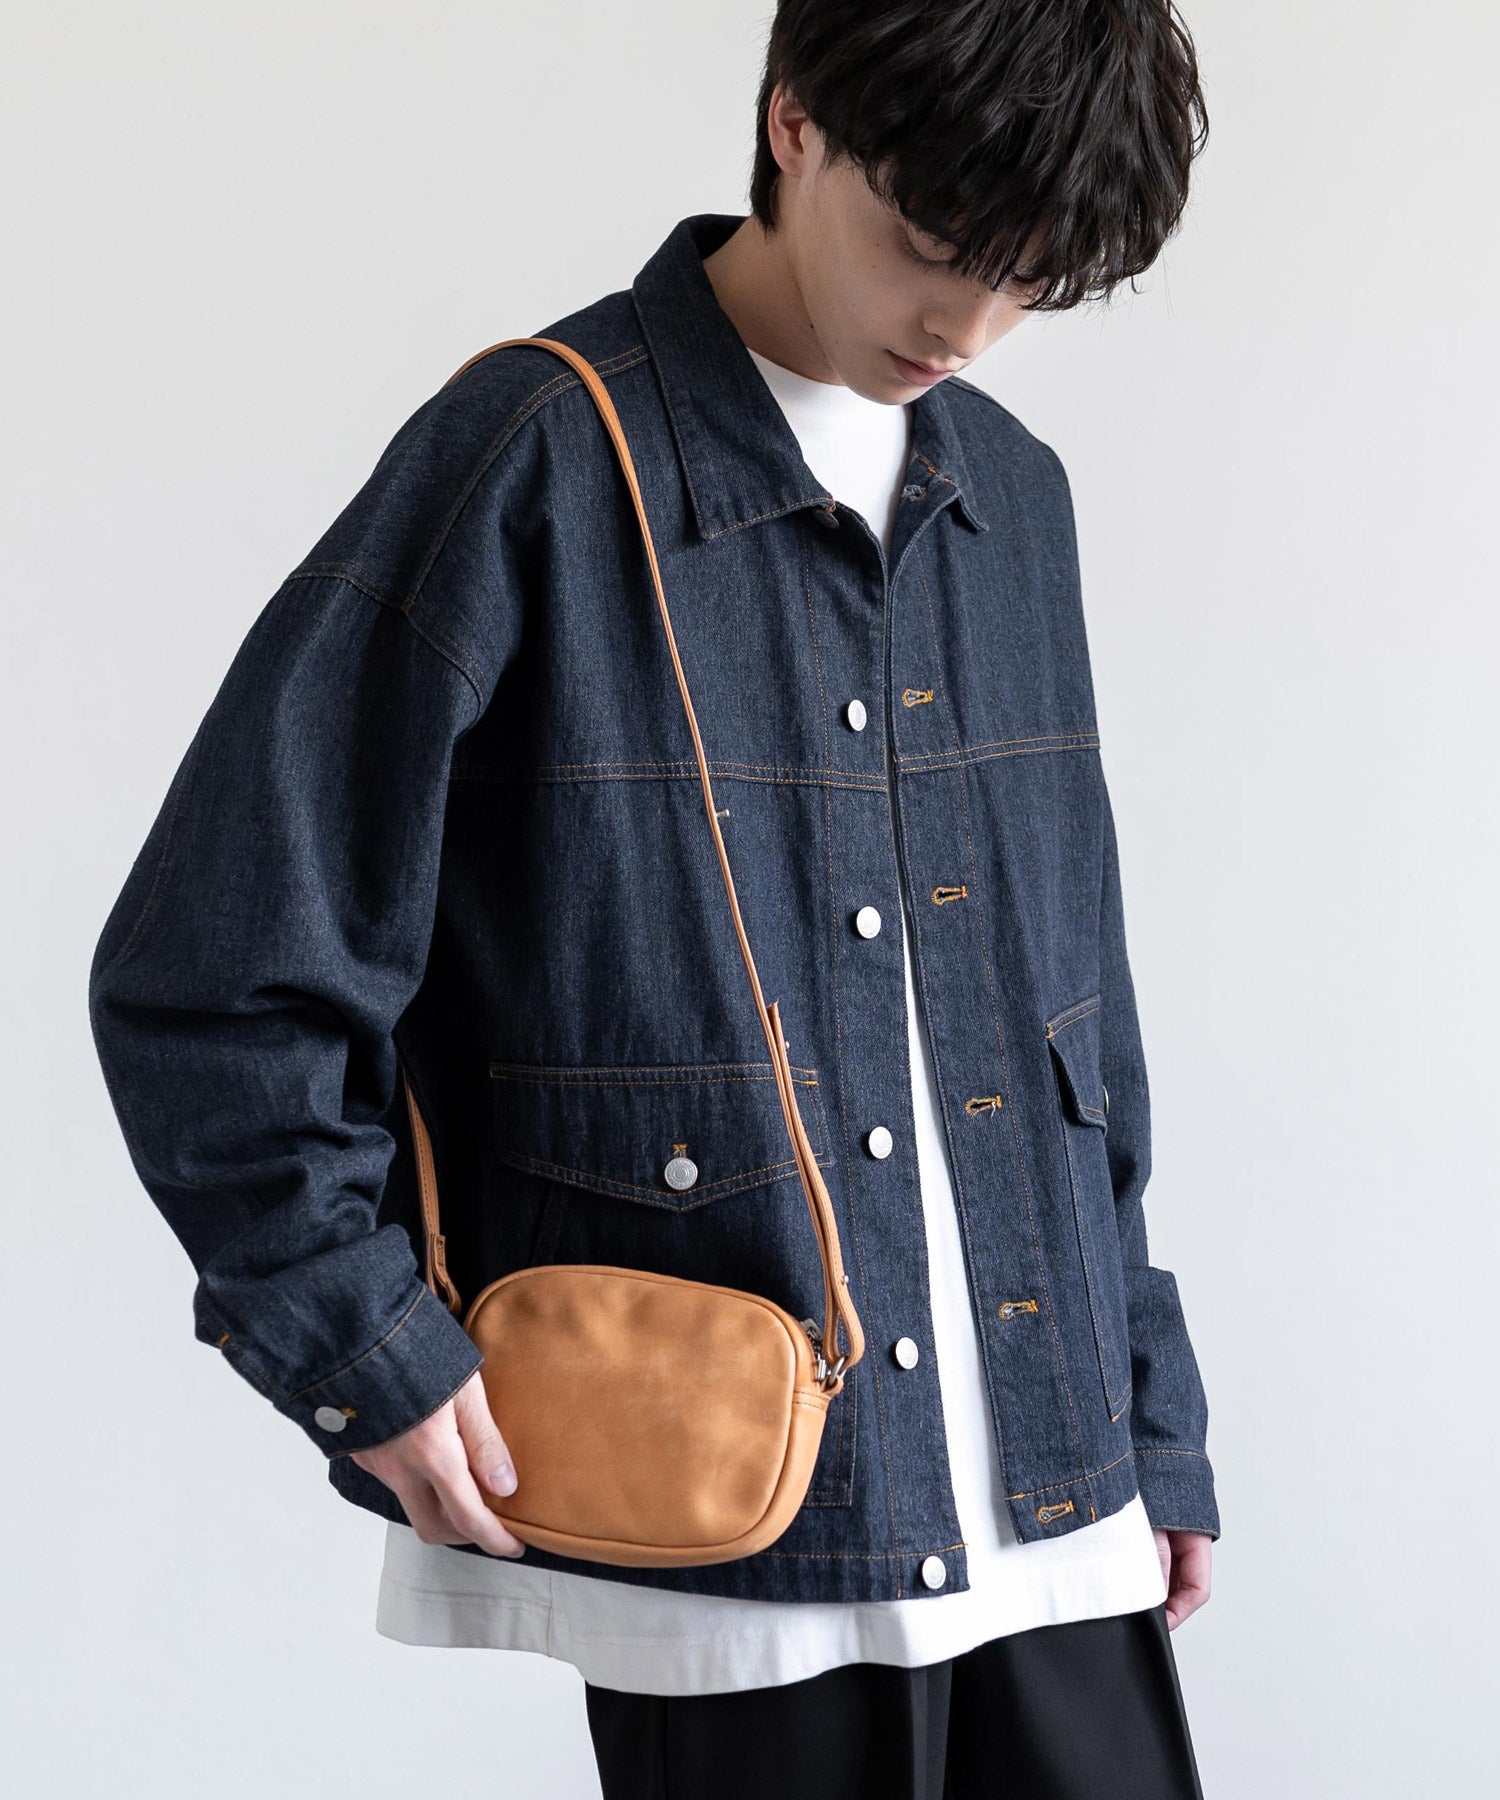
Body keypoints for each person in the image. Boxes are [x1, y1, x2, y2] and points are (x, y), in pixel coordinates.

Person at [87, 2, 1220, 1794]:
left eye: (1029, 285)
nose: (968, 327)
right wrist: (358, 1338)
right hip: (740, 1509)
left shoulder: (1014, 496)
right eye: (935, 244)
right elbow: (216, 963)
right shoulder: (536, 452)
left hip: (1057, 1482)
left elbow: (1075, 1006)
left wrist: (1151, 1401)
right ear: (794, 122)